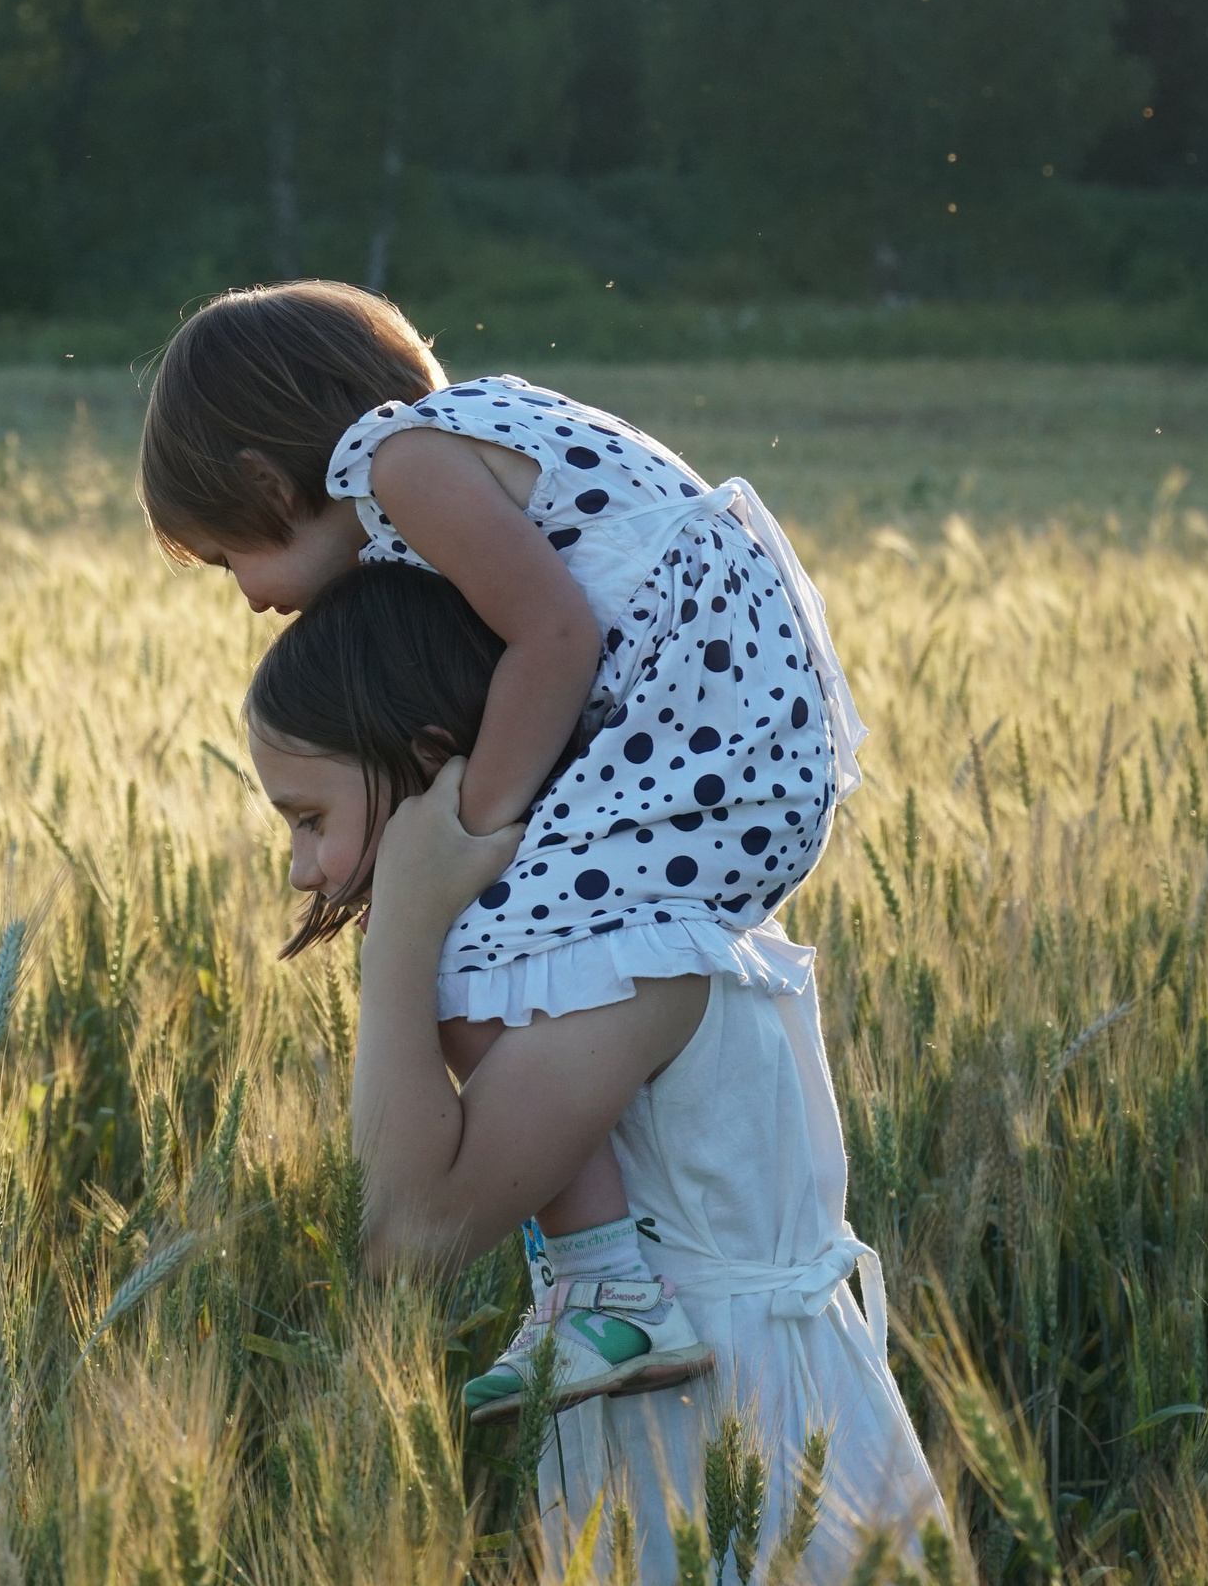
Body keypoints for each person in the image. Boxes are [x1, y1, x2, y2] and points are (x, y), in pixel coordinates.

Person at [139, 279, 867, 1420]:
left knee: (478, 947)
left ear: (266, 485)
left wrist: (473, 825)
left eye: (229, 561)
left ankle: (603, 1288)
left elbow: (557, 633)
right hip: (733, 738)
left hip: (712, 745)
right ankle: (595, 1285)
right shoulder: (456, 446)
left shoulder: (399, 467)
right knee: (488, 947)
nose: (243, 601)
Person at [245, 565, 941, 1586]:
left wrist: (402, 935)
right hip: (669, 1425)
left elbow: (408, 1231)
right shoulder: (577, 951)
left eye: (307, 816)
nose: (299, 869)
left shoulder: (633, 961)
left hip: (744, 1440)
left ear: (431, 772)